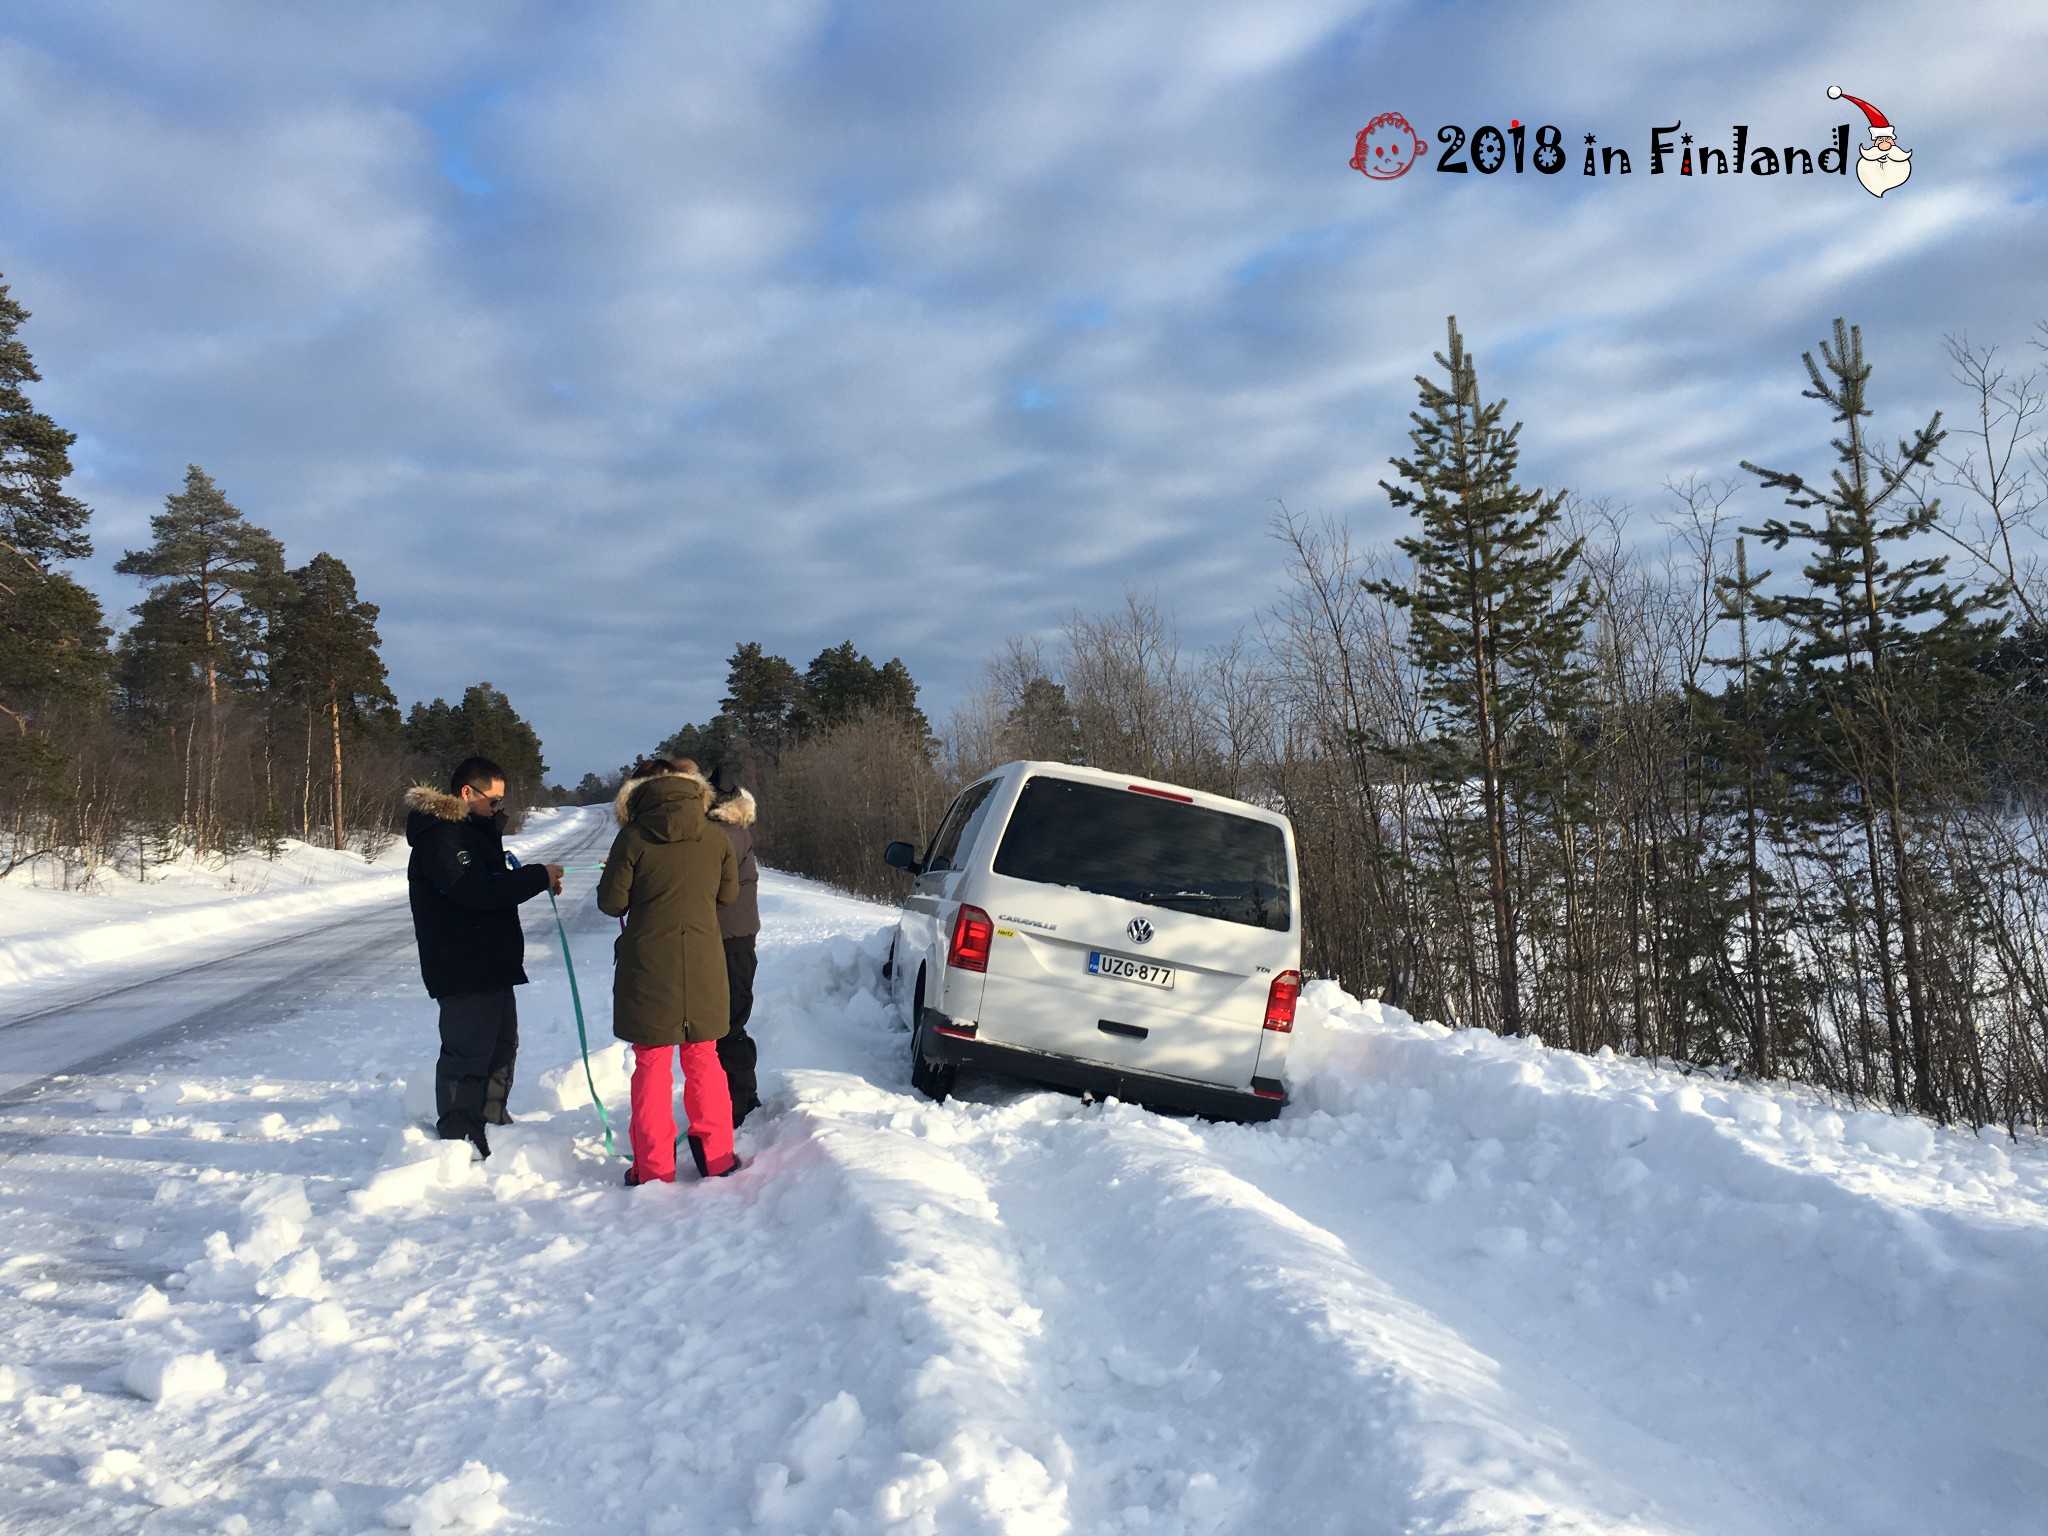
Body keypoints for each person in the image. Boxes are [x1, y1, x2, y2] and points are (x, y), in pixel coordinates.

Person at [405, 757, 563, 1159]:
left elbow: (492, 882)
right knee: (467, 1054)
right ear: (467, 794)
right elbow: (474, 889)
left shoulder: (472, 833)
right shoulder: (440, 836)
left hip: (491, 963)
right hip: (462, 965)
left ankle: (493, 1124)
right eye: (494, 802)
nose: (498, 810)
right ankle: (460, 1137)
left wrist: (531, 878)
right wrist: (534, 878)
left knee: (501, 1047)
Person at [597, 759, 742, 1185]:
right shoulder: (715, 836)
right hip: (702, 959)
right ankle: (718, 1157)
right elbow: (728, 895)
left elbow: (611, 903)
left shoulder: (633, 838)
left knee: (652, 1064)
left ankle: (654, 1169)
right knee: (704, 1056)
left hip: (647, 966)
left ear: (641, 791)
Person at [707, 764, 763, 1125]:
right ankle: (743, 1098)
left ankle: (738, 1104)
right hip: (737, 939)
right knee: (731, 1025)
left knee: (726, 1028)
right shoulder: (736, 830)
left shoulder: (722, 834)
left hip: (727, 941)